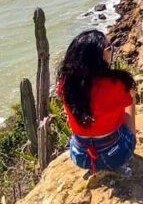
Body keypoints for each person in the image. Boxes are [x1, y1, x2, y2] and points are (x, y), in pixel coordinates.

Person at [56, 29, 137, 176]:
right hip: (116, 154)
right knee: (130, 101)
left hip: (81, 156)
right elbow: (131, 95)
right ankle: (130, 140)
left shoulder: (66, 85)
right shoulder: (116, 84)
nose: (111, 50)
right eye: (108, 48)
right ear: (99, 57)